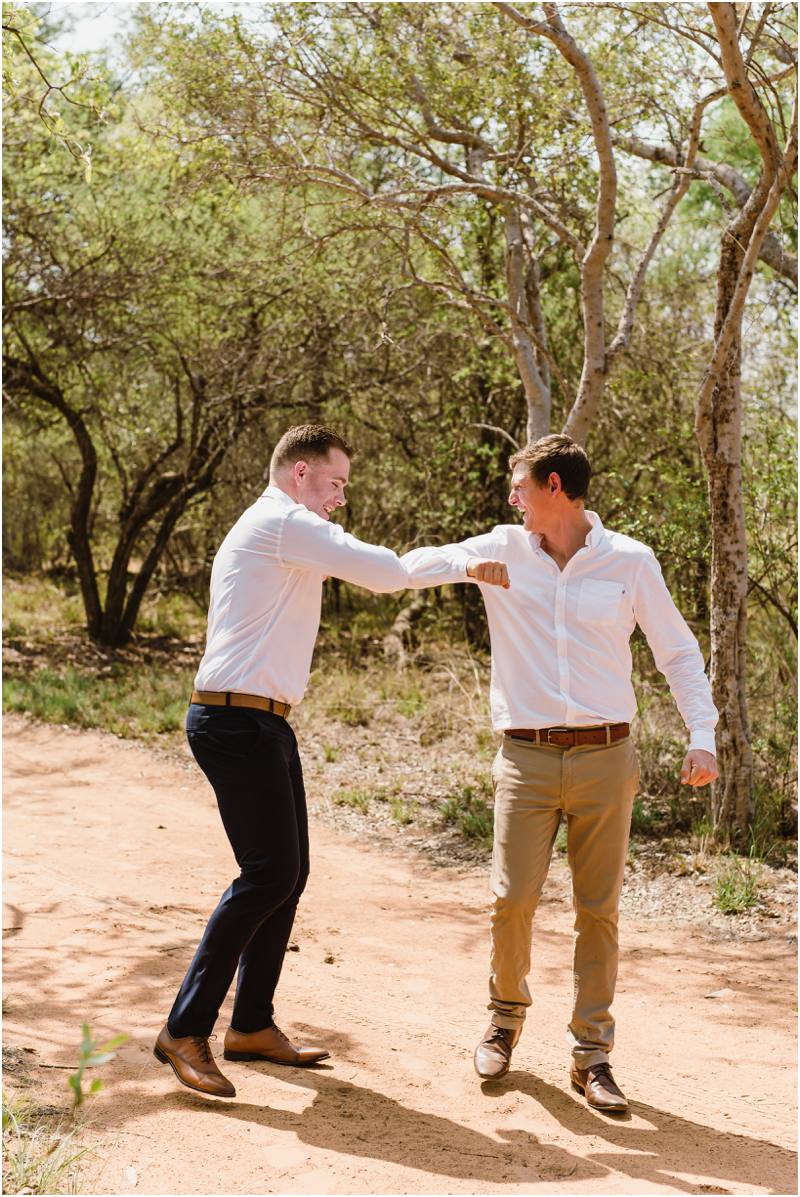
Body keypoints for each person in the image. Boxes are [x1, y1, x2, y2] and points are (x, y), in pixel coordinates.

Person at [154, 424, 508, 1098]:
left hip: (260, 720)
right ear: (300, 474)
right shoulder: (285, 523)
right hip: (235, 720)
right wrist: (469, 559)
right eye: (335, 482)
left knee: (288, 874)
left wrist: (460, 562)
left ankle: (250, 1025)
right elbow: (388, 573)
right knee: (267, 874)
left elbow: (381, 569)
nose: (341, 497)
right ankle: (184, 1028)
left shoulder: (289, 531)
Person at [403, 433, 718, 1112]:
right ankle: (503, 1019)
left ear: (554, 487)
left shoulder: (629, 561)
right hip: (526, 756)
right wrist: (463, 564)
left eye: (519, 485)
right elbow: (415, 566)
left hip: (607, 756)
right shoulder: (502, 547)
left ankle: (591, 1055)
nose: (510, 497)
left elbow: (677, 652)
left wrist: (702, 735)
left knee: (597, 910)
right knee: (511, 898)